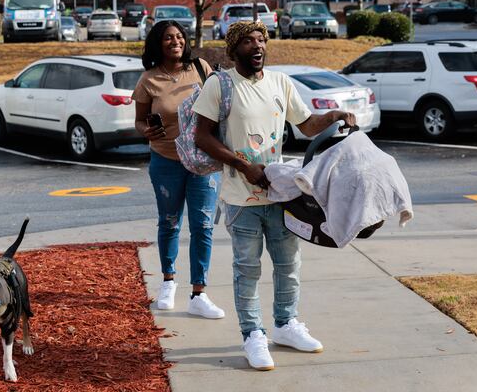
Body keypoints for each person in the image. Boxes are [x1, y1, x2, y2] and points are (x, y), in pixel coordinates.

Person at [193, 21, 356, 370]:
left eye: (261, 40)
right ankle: (253, 334)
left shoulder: (280, 82)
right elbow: (201, 137)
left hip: (281, 194)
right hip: (242, 198)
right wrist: (242, 164)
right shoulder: (219, 85)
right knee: (247, 269)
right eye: (249, 41)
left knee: (288, 265)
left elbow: (307, 123)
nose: (258, 46)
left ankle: (285, 325)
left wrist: (335, 116)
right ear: (233, 50)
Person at [132, 20, 225, 319]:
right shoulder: (149, 79)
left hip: (202, 162)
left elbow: (220, 105)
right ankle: (168, 282)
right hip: (166, 161)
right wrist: (145, 131)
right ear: (158, 43)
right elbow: (139, 120)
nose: (176, 41)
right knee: (170, 222)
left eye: (180, 37)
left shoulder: (200, 69)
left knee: (203, 226)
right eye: (169, 38)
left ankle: (199, 293)